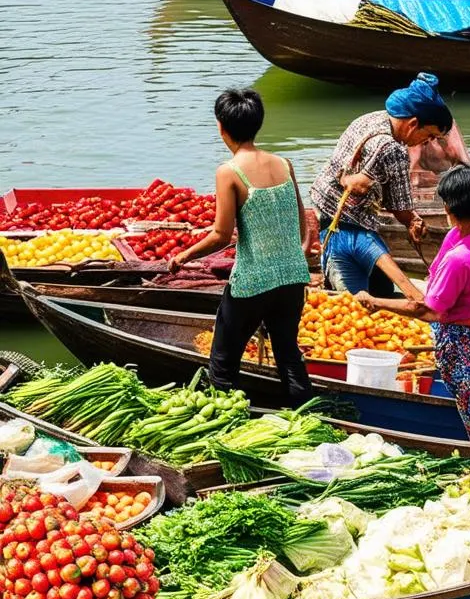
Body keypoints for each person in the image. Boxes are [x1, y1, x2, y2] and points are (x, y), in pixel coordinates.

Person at [168, 89, 313, 408]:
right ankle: (308, 416)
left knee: (222, 363)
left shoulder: (229, 172)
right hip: (292, 278)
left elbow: (221, 235)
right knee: (288, 354)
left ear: (221, 127)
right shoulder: (284, 164)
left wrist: (183, 256)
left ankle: (230, 421)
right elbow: (303, 223)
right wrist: (295, 257)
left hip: (252, 282)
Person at [355, 165, 470, 443]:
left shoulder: (460, 258)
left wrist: (376, 301)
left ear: (450, 207)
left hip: (464, 347)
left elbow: (429, 311)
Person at [309, 72, 453, 300]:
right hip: (347, 226)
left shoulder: (371, 119)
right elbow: (400, 206)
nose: (427, 142)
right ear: (413, 124)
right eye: (429, 135)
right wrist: (413, 221)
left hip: (324, 208)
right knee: (357, 305)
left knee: (382, 289)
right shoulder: (392, 149)